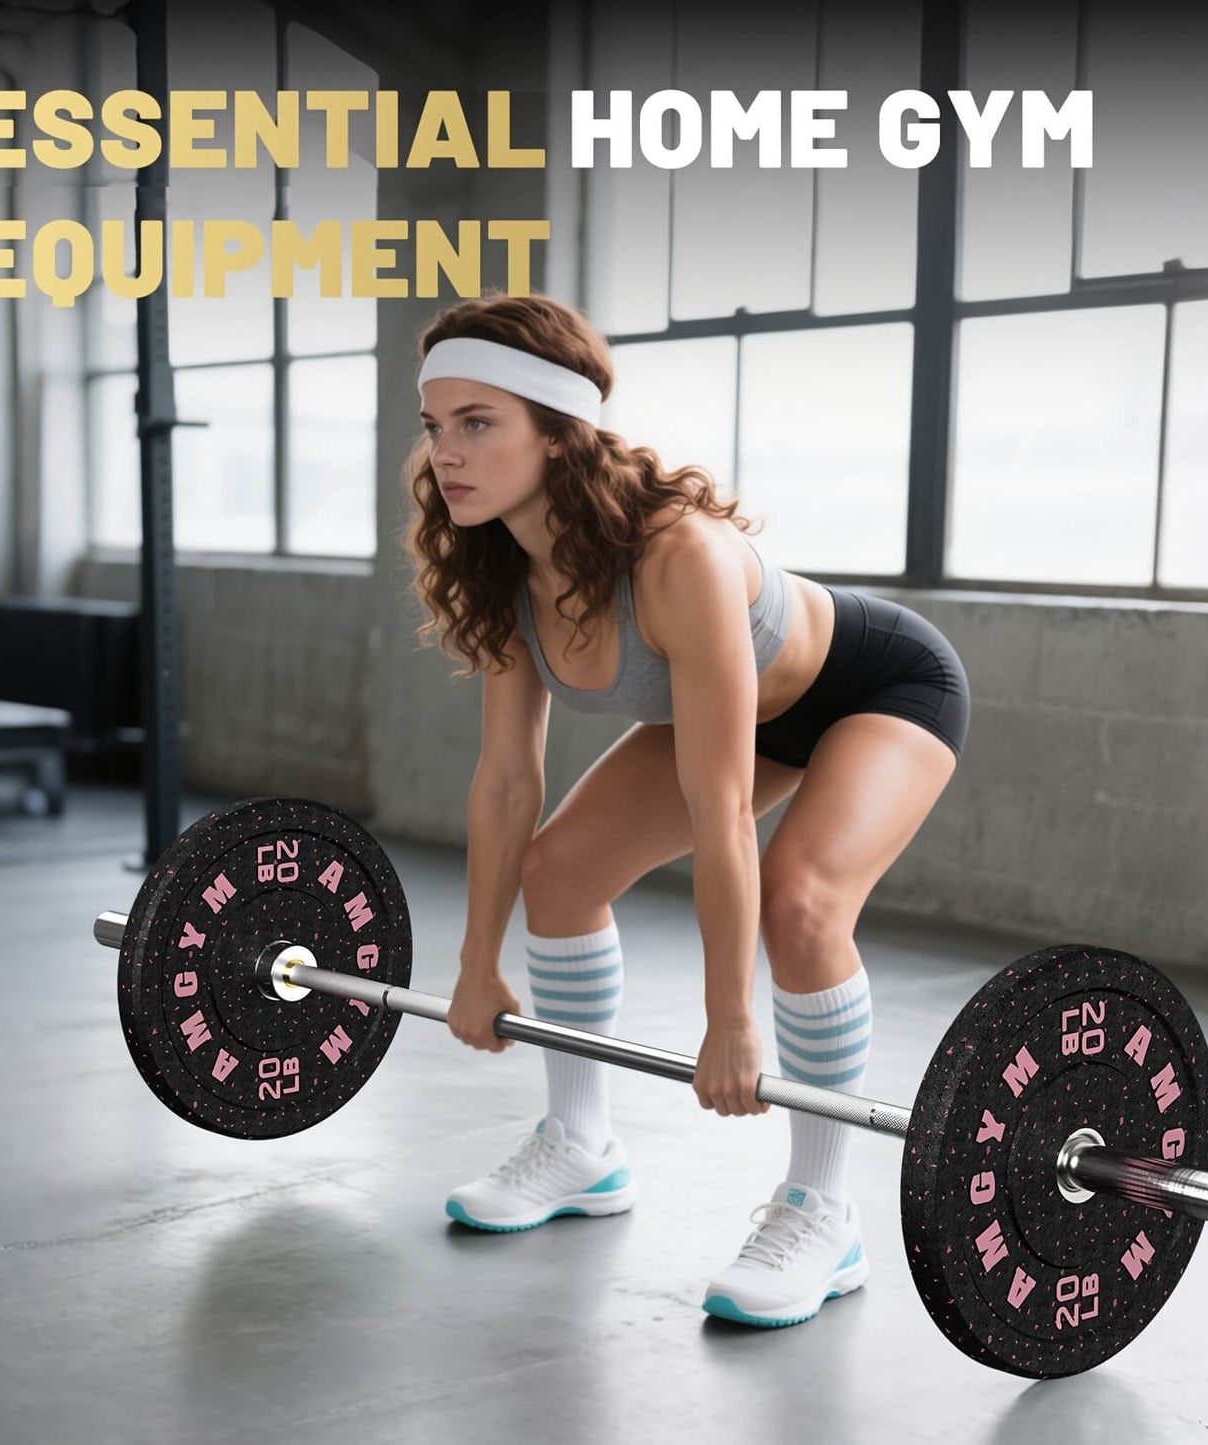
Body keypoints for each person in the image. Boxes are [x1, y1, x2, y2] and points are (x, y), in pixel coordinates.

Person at [403, 291, 971, 1328]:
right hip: (746, 715)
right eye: (435, 424)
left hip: (876, 687)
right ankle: (581, 1147)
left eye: (477, 422)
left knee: (800, 902)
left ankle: (824, 1208)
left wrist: (729, 1020)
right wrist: (476, 961)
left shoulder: (678, 558)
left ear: (556, 429)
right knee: (558, 871)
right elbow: (506, 780)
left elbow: (721, 808)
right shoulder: (502, 568)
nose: (446, 452)